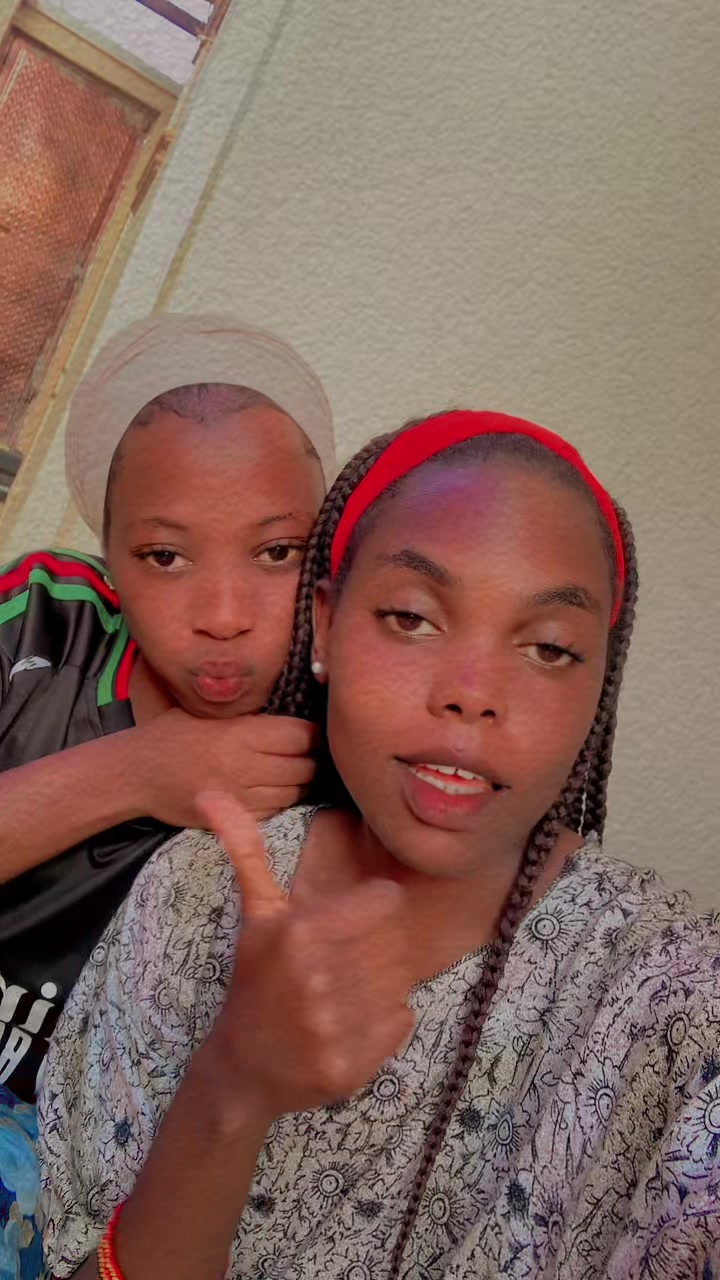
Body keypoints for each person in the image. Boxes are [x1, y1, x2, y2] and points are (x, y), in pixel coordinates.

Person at [38, 410, 720, 1279]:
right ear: (324, 627)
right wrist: (233, 1085)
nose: (471, 693)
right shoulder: (195, 890)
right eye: (411, 617)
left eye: (550, 649)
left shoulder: (681, 1002)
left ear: (599, 685)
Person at [0, 314, 334, 1278]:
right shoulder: (44, 623)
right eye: (165, 557)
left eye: (276, 552)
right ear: (108, 552)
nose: (223, 616)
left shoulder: (351, 746)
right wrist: (146, 769)